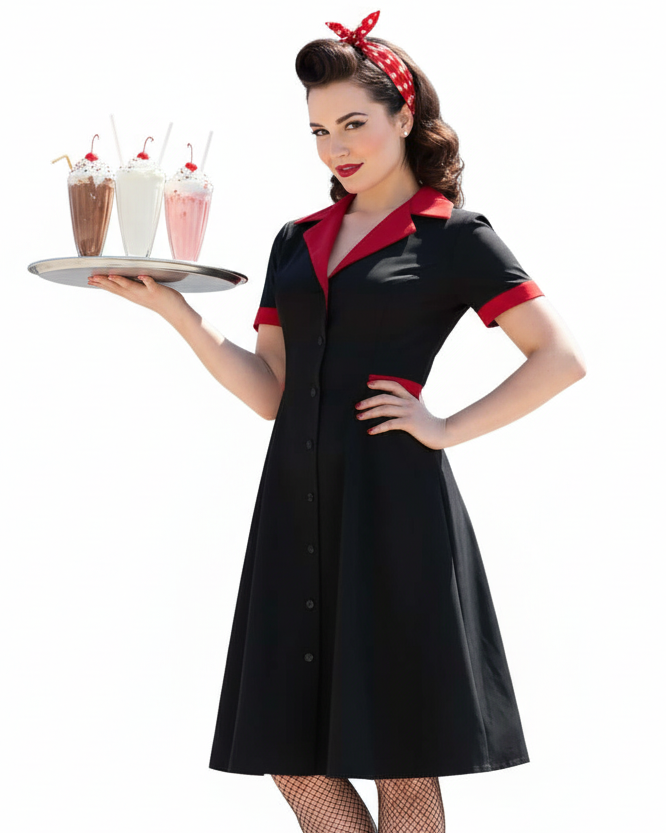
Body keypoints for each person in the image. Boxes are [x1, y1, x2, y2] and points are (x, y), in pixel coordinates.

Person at [89, 10, 586, 833]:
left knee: (403, 759)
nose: (335, 148)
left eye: (353, 124)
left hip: (395, 513)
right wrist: (178, 314)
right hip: (293, 508)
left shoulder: (456, 236)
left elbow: (560, 357)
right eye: (319, 130)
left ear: (405, 117)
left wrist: (442, 425)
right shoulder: (297, 239)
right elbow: (269, 390)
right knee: (286, 749)